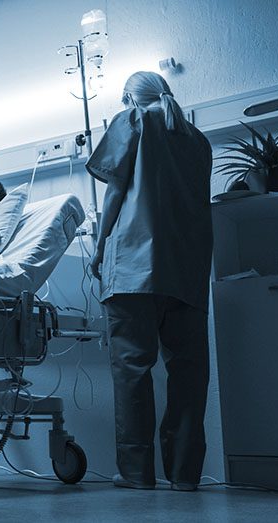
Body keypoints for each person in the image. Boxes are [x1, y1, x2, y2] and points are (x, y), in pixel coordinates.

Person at [86, 71, 213, 492]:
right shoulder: (198, 141)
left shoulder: (133, 120)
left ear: (129, 98)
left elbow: (116, 190)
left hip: (136, 266)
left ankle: (136, 474)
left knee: (133, 372)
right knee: (189, 374)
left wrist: (102, 245)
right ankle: (185, 476)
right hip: (188, 269)